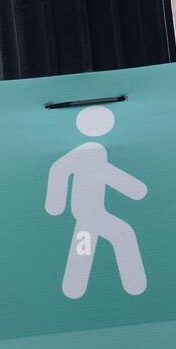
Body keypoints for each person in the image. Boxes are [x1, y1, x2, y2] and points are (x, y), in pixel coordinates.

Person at [44, 105, 148, 299]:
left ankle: (76, 289)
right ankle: (78, 289)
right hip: (86, 213)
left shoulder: (97, 151)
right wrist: (55, 203)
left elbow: (106, 173)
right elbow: (59, 170)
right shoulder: (83, 152)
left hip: (93, 213)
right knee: (108, 238)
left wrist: (134, 189)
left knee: (104, 240)